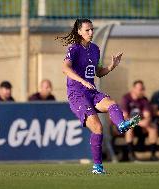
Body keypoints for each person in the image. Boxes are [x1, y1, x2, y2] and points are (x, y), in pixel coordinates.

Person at [58, 18, 140, 174]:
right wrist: (82, 81)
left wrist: (111, 66)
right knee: (97, 127)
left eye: (92, 29)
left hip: (91, 92)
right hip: (77, 95)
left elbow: (97, 72)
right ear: (79, 32)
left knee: (112, 103)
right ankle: (97, 167)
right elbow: (65, 68)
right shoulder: (74, 49)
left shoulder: (95, 49)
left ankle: (121, 125)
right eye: (87, 30)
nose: (91, 32)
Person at [121, 80, 158, 161]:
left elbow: (147, 116)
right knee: (129, 127)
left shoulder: (144, 100)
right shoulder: (126, 98)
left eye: (143, 89)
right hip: (127, 125)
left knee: (153, 127)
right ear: (134, 89)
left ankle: (153, 155)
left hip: (141, 126)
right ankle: (132, 155)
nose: (142, 91)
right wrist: (139, 121)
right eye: (140, 89)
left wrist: (146, 121)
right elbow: (125, 117)